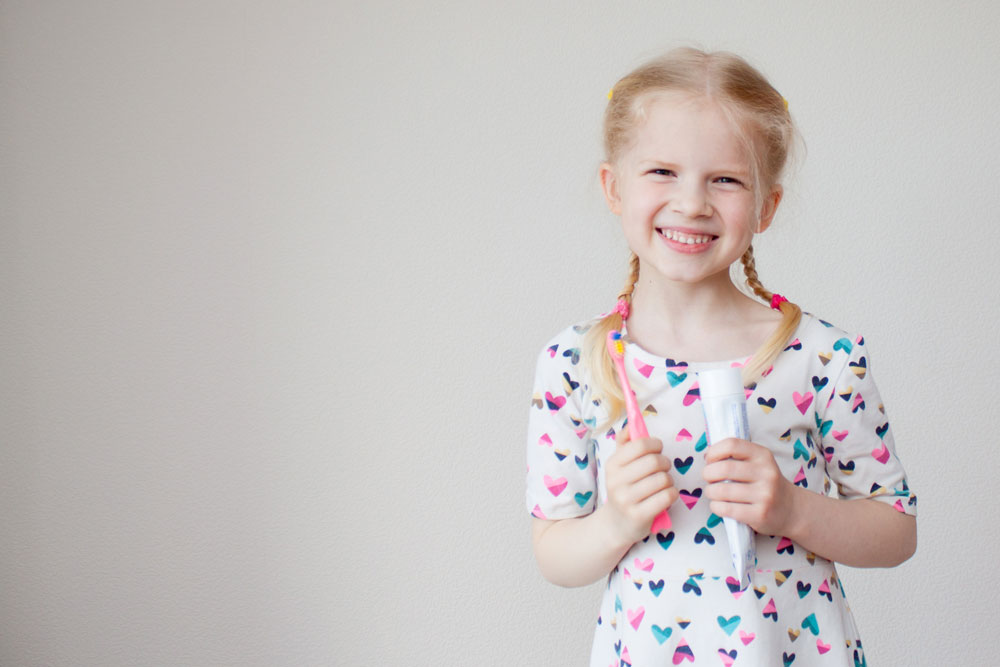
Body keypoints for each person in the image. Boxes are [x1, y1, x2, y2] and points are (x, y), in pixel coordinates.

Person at [525, 48, 916, 667]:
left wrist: (793, 509)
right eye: (661, 171)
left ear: (766, 206)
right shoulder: (576, 362)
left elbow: (896, 530)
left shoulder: (822, 356)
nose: (692, 202)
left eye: (725, 179)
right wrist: (617, 521)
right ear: (613, 187)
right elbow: (553, 551)